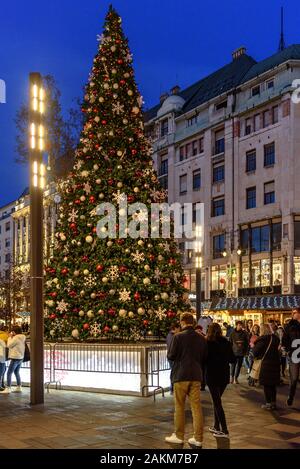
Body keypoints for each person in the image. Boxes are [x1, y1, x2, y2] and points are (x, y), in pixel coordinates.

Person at [166, 312, 207, 448]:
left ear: (182, 321)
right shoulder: (201, 338)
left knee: (179, 406)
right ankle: (198, 438)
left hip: (181, 375)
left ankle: (179, 436)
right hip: (196, 375)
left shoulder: (177, 337)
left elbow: (171, 356)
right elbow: (204, 357)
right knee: (196, 407)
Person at [206, 323, 235, 438]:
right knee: (216, 401)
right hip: (224, 376)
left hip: (212, 375)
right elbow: (232, 359)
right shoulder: (226, 343)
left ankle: (225, 430)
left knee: (217, 402)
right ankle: (216, 426)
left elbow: (204, 359)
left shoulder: (208, 343)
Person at [252, 324, 280, 410]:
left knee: (267, 385)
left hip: (265, 365)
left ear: (262, 330)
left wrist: (253, 348)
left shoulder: (262, 340)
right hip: (275, 364)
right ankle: (273, 403)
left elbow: (255, 352)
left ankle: (268, 403)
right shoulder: (275, 339)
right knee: (273, 385)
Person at [0, 326, 26, 394]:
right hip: (20, 357)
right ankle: (19, 386)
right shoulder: (22, 337)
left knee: (9, 373)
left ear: (14, 332)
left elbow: (9, 345)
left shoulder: (16, 338)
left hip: (15, 357)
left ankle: (8, 388)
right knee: (16, 372)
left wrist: (9, 337)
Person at [282, 309, 300, 406]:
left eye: (295, 312)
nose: (293, 314)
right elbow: (285, 339)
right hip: (294, 354)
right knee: (294, 378)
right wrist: (288, 350)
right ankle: (290, 396)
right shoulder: (290, 326)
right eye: (292, 313)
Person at [166, 323, 181, 394]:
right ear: (175, 328)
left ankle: (173, 388)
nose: (180, 330)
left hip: (172, 356)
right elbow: (172, 347)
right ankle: (172, 388)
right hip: (172, 357)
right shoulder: (172, 336)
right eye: (179, 329)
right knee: (174, 372)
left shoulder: (171, 335)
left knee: (174, 371)